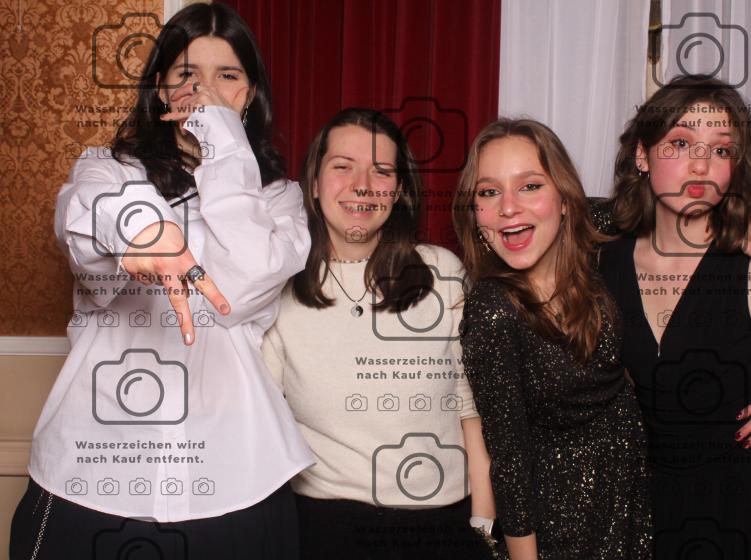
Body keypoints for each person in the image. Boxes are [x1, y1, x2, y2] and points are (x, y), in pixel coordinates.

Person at [10, 4, 313, 559]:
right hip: (92, 468)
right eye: (187, 74)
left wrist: (223, 144)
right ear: (160, 89)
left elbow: (240, 287)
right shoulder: (109, 168)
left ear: (250, 95)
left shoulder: (279, 200)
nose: (205, 91)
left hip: (236, 475)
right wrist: (141, 229)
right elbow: (84, 215)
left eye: (227, 76)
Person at [597, 75, 751, 559]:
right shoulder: (604, 258)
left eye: (721, 150)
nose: (701, 164)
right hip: (663, 508)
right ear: (642, 155)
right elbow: (544, 212)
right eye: (680, 143)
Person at [260, 108, 497, 560]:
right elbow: (261, 425)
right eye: (342, 167)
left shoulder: (442, 272)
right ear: (314, 183)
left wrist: (482, 525)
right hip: (327, 529)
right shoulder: (278, 291)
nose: (363, 185)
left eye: (381, 171)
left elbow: (470, 409)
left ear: (400, 189)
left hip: (443, 527)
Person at [452, 118, 653, 559]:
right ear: (475, 211)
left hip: (634, 502)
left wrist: (750, 230)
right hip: (561, 527)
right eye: (489, 192)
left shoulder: (592, 240)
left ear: (564, 199)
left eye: (529, 186)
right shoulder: (492, 310)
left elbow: (668, 212)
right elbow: (510, 458)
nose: (508, 207)